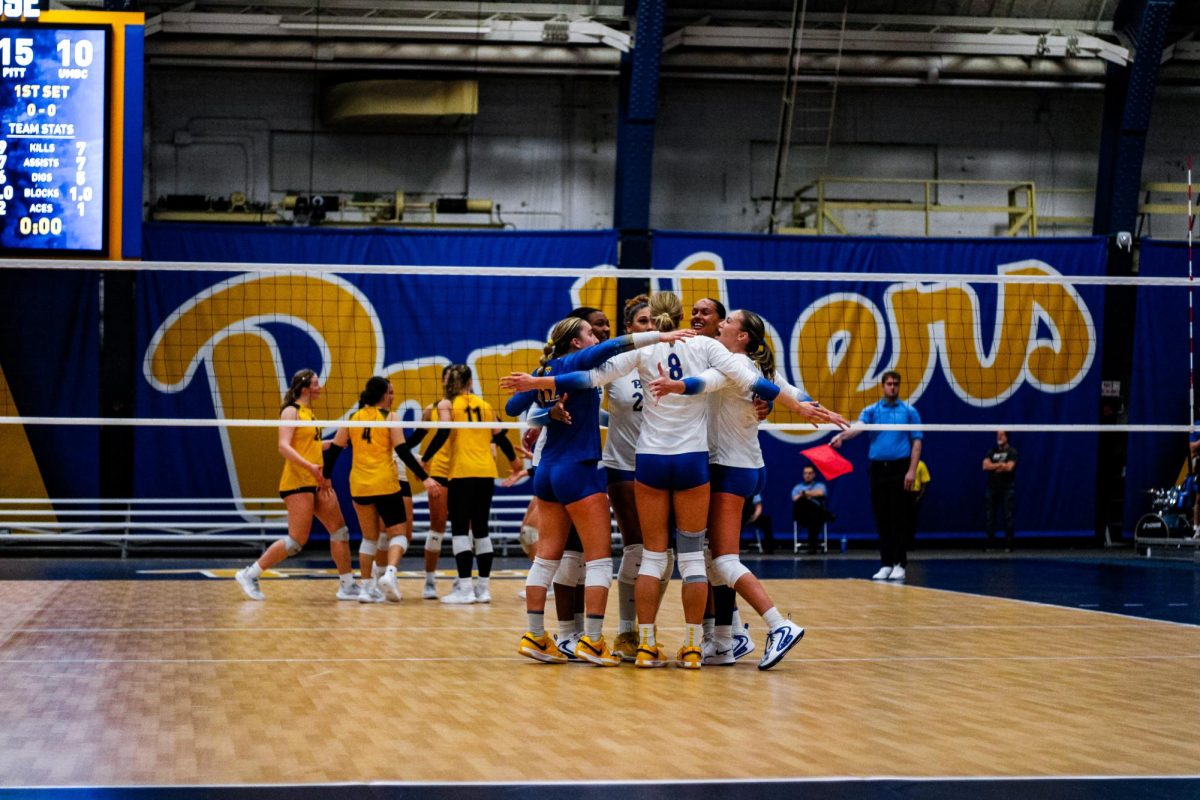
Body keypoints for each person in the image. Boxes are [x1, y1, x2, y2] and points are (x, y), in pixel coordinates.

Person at [513, 292, 828, 669]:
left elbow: (589, 377)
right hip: (690, 462)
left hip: (648, 462)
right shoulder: (708, 348)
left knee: (652, 556)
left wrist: (538, 384)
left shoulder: (639, 353)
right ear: (679, 317)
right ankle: (693, 645)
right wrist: (798, 404)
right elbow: (749, 379)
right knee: (693, 557)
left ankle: (654, 643)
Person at [649, 308, 847, 669]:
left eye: (727, 321)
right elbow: (789, 390)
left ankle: (778, 624)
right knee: (712, 558)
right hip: (749, 467)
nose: (720, 324)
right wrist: (811, 406)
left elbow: (703, 384)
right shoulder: (752, 365)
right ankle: (727, 639)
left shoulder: (731, 367)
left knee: (723, 559)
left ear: (742, 336)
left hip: (728, 469)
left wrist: (675, 386)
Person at [504, 315, 696, 665]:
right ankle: (592, 641)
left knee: (548, 555)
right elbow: (614, 346)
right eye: (590, 333)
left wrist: (545, 407)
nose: (596, 337)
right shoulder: (576, 361)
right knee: (599, 559)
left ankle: (534, 634)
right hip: (578, 470)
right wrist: (661, 335)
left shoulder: (547, 369)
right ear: (576, 342)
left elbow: (513, 407)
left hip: (546, 471)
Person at [235, 369, 357, 601]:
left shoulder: (309, 413)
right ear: (304, 388)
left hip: (315, 481)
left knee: (340, 530)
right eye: (316, 383)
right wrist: (310, 466)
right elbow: (284, 446)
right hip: (298, 481)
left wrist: (331, 444)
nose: (320, 387)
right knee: (296, 542)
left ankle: (347, 585)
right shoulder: (291, 411)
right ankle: (250, 574)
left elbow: (308, 445)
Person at [325, 376, 443, 603]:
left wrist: (326, 477)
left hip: (359, 485)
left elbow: (335, 450)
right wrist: (425, 478)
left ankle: (366, 588)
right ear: (381, 395)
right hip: (386, 484)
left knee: (369, 538)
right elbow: (403, 451)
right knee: (399, 534)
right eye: (389, 392)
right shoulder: (390, 417)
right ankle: (389, 573)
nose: (393, 396)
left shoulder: (354, 418)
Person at [428, 364, 525, 605]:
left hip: (462, 472)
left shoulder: (447, 405)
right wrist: (515, 464)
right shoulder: (485, 406)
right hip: (485, 473)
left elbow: (442, 434)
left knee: (460, 530)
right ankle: (483, 589)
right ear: (470, 383)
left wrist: (425, 457)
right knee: (481, 529)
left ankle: (465, 589)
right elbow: (500, 436)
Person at [830, 370, 922, 581]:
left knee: (899, 517)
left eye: (895, 384)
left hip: (900, 468)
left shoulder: (909, 411)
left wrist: (911, 470)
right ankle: (886, 563)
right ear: (882, 386)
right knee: (882, 518)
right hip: (878, 469)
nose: (892, 387)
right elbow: (859, 428)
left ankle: (900, 563)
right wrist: (842, 436)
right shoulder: (871, 411)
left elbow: (917, 442)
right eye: (889, 384)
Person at [402, 365, 454, 599]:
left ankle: (466, 580)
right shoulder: (431, 409)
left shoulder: (473, 408)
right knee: (438, 525)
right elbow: (417, 438)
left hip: (466, 472)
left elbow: (492, 433)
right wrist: (402, 454)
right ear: (443, 382)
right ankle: (430, 580)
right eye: (447, 379)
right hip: (440, 472)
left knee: (471, 529)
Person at [982, 430, 1017, 551]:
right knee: (990, 517)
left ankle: (1009, 545)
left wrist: (995, 465)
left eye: (1001, 435)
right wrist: (1001, 465)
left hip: (1007, 489)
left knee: (1008, 517)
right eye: (997, 435)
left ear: (1007, 436)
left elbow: (1010, 467)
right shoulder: (992, 451)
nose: (999, 437)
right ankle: (990, 545)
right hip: (992, 489)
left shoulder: (1012, 451)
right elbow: (985, 466)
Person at [791, 465, 829, 555]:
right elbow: (795, 498)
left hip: (816, 516)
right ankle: (828, 515)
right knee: (803, 501)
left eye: (810, 473)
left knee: (815, 515)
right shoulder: (797, 487)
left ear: (814, 474)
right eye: (805, 473)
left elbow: (821, 492)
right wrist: (808, 495)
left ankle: (812, 545)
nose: (807, 475)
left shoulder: (820, 485)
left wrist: (805, 493)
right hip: (802, 514)